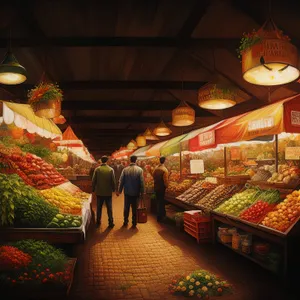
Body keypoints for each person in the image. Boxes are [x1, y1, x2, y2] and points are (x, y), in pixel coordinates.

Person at [117, 155, 144, 228]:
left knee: (126, 208)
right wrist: (142, 192)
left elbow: (121, 181)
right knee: (135, 208)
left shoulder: (125, 170)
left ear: (130, 160)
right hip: (136, 193)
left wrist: (119, 191)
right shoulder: (140, 170)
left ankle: (125, 222)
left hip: (127, 193)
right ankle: (134, 223)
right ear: (136, 160)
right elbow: (141, 182)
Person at [92, 155, 116, 228]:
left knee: (99, 208)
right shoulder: (110, 170)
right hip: (108, 192)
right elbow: (113, 181)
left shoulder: (97, 169)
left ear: (101, 161)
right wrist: (114, 189)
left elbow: (93, 181)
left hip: (99, 192)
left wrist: (93, 189)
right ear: (107, 161)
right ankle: (111, 222)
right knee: (109, 208)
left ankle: (98, 221)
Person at [153, 156, 169, 222]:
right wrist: (167, 186)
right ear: (164, 161)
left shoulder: (156, 168)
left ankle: (159, 216)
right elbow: (165, 181)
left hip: (156, 187)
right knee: (161, 202)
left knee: (158, 201)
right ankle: (161, 217)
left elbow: (153, 175)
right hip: (162, 188)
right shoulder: (165, 170)